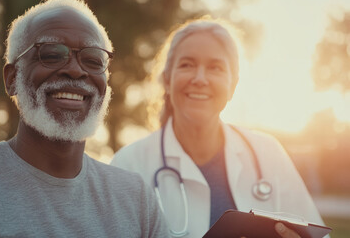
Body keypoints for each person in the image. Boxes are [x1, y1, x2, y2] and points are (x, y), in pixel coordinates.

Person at [0, 0, 169, 237]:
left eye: (93, 60)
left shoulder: (137, 199)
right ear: (11, 79)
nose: (75, 70)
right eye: (51, 55)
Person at [111, 16, 327, 238]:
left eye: (215, 67)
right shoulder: (128, 165)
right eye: (187, 65)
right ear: (167, 79)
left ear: (233, 85)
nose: (200, 78)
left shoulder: (268, 153)